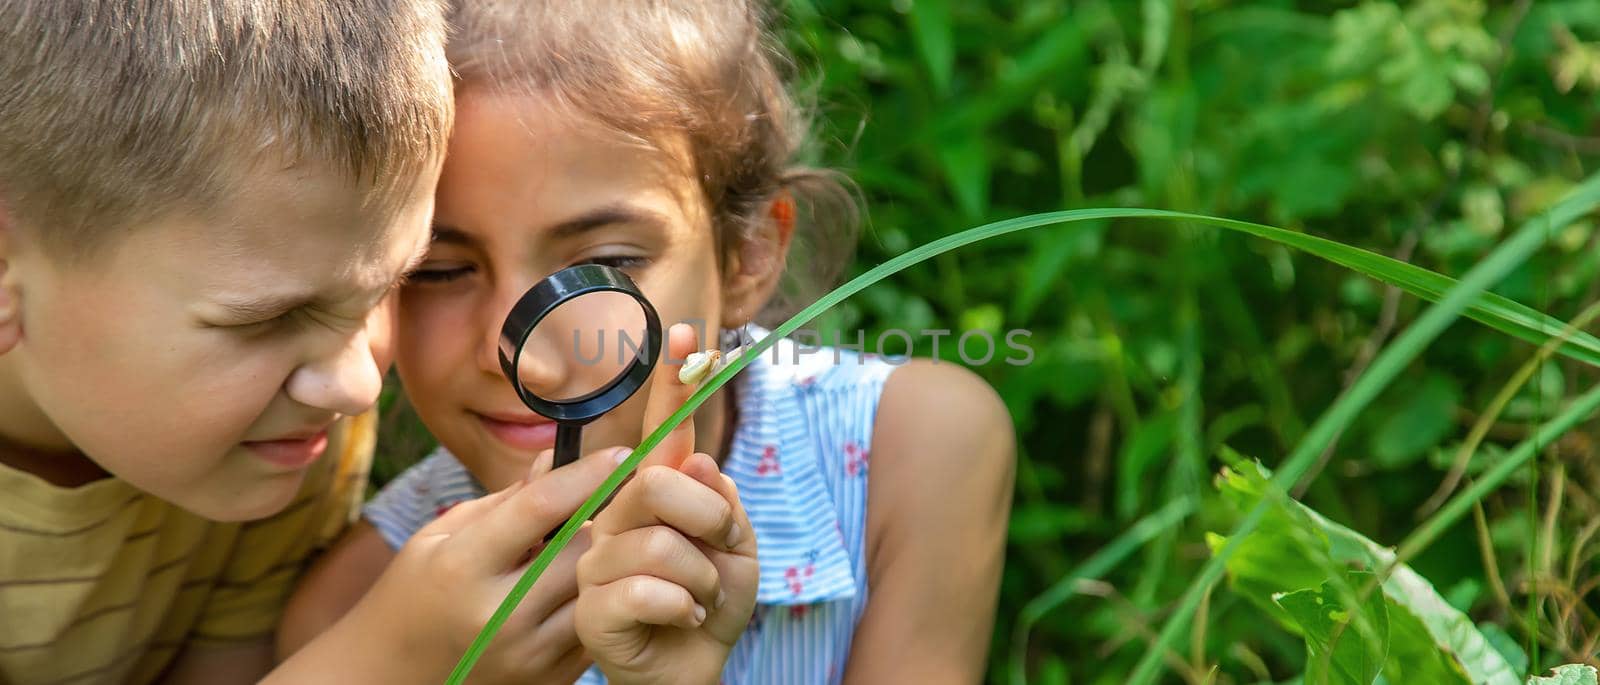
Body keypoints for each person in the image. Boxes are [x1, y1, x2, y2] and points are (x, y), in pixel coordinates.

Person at [282, 1, 1016, 682]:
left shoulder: (910, 449)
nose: (522, 358)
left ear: (748, 257)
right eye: (439, 270)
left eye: (605, 264)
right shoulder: (358, 618)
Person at [0, 2, 635, 683]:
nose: (358, 386)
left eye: (397, 284)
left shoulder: (275, 440)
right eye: (268, 319)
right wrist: (387, 661)